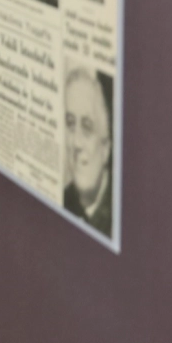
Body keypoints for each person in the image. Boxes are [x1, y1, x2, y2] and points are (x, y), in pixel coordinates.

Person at [63, 67, 114, 237]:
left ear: (106, 148)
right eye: (70, 124)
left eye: (87, 127)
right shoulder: (63, 199)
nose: (76, 143)